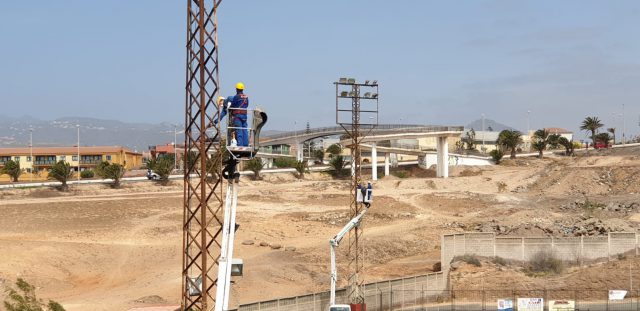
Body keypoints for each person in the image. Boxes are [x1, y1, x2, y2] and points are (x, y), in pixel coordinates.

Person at [217, 82, 250, 147]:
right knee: (245, 130)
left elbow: (233, 105)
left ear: (237, 89)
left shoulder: (236, 97)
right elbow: (247, 105)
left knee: (239, 131)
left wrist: (230, 109)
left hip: (238, 116)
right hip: (244, 116)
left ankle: (240, 146)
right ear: (242, 89)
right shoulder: (246, 97)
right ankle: (246, 145)